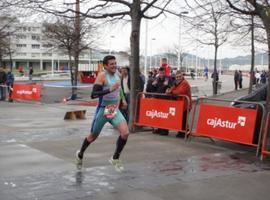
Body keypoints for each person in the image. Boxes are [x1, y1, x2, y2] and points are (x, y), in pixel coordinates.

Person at [75, 55, 129, 172]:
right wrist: (110, 89)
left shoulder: (118, 75)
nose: (114, 66)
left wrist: (123, 99)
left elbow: (119, 88)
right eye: (111, 64)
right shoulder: (102, 76)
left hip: (113, 109)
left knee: (125, 133)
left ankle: (115, 158)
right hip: (103, 109)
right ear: (105, 66)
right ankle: (80, 153)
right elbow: (93, 94)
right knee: (93, 136)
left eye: (115, 63)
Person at [147, 67, 173, 135]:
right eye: (160, 73)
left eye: (163, 73)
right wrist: (153, 85)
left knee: (165, 115)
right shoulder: (157, 79)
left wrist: (167, 86)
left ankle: (165, 130)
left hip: (165, 100)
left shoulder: (168, 78)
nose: (161, 74)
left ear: (165, 72)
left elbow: (171, 87)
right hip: (158, 100)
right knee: (159, 115)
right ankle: (159, 128)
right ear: (158, 72)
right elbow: (153, 89)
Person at [166, 71, 192, 138]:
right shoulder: (177, 83)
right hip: (180, 104)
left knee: (184, 119)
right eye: (177, 77)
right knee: (181, 119)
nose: (178, 78)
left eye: (179, 77)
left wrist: (171, 91)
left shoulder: (184, 83)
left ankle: (185, 133)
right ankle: (181, 132)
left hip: (185, 104)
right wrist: (170, 91)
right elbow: (173, 89)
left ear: (182, 76)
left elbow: (180, 92)